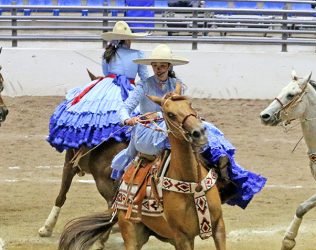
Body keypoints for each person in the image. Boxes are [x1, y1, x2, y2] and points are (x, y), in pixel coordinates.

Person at [110, 44, 266, 209]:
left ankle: (223, 172)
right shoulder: (143, 86)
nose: (158, 69)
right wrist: (127, 119)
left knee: (207, 129)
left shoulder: (178, 84)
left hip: (175, 124)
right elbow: (124, 108)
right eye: (155, 65)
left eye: (162, 65)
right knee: (179, 137)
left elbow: (181, 110)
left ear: (169, 66)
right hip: (149, 129)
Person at [47, 21, 150, 152]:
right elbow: (145, 78)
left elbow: (107, 72)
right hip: (127, 86)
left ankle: (85, 146)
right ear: (128, 39)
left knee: (92, 112)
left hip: (107, 84)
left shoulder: (108, 53)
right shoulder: (138, 54)